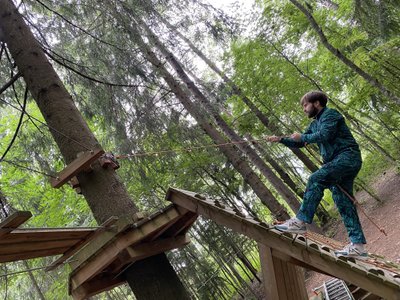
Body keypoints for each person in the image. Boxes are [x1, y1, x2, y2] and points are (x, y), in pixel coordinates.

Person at [267, 91, 367, 258]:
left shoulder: (330, 114)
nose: (304, 109)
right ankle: (358, 247)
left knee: (316, 178)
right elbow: (301, 142)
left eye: (305, 105)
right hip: (339, 163)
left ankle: (300, 221)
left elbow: (324, 135)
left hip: (347, 157)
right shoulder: (314, 124)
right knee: (342, 201)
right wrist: (280, 139)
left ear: (317, 103)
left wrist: (303, 136)